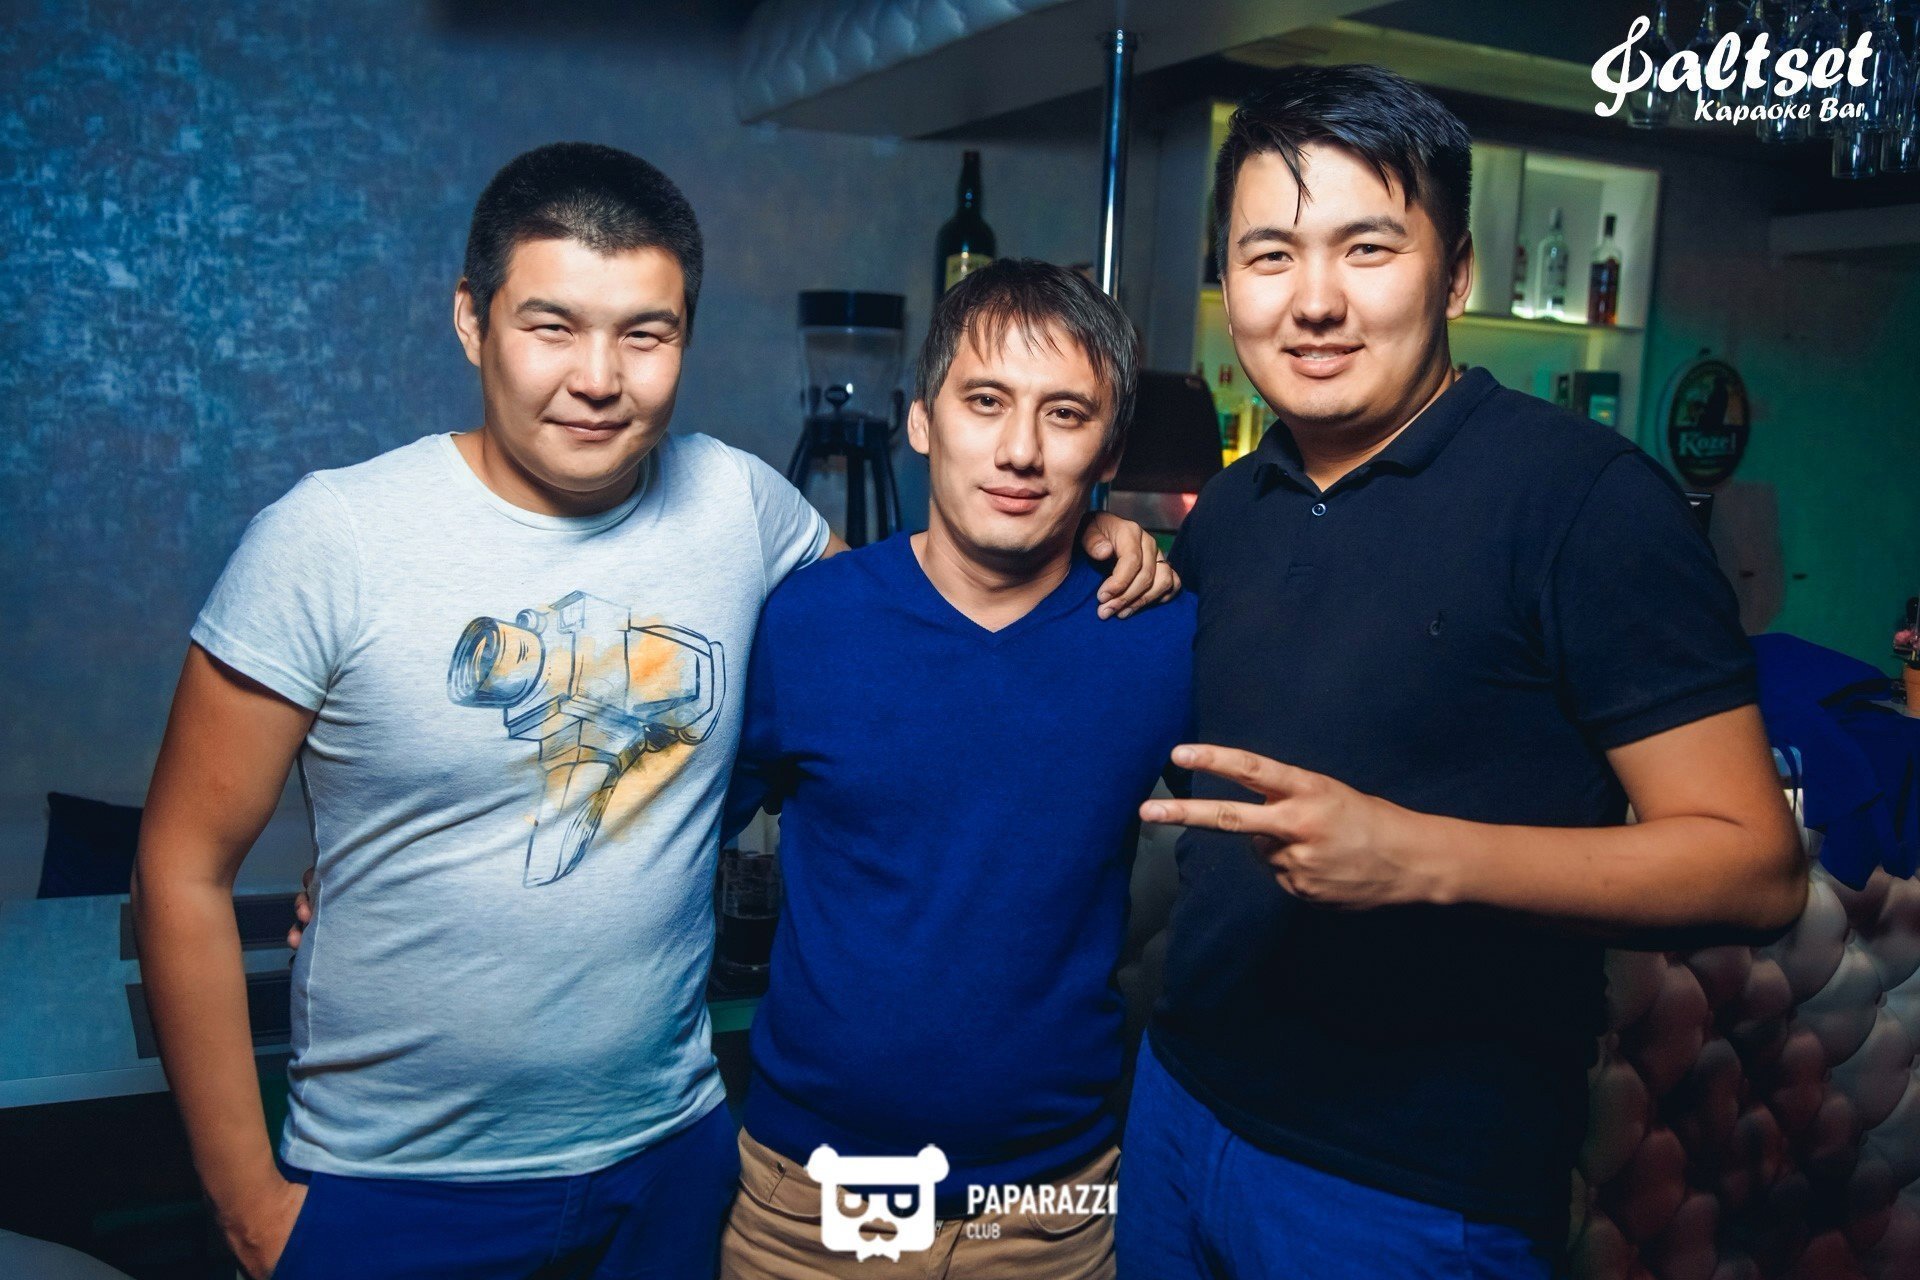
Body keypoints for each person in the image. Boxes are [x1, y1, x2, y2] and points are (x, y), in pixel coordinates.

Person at [132, 142, 1172, 1280]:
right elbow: (181, 867)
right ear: (471, 319)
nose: (597, 377)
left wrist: (1091, 533)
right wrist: (251, 1210)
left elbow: (923, 622)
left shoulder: (739, 507)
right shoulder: (329, 538)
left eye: (644, 333)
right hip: (396, 1181)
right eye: (551, 325)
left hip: (669, 1158)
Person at [1116, 66, 1807, 1280]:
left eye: (1367, 247)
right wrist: (1105, 547)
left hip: (1409, 1187)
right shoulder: (1231, 507)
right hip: (1178, 1103)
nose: (1314, 301)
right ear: (1229, 281)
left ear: (1458, 273)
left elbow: (1754, 866)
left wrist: (1414, 855)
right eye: (1271, 255)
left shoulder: (1586, 502)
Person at [715, 259, 1193, 1280]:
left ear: (1108, 448)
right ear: (921, 419)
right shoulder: (808, 623)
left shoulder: (1161, 636)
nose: (1020, 449)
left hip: (1050, 1212)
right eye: (985, 402)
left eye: (1065, 413)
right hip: (810, 1203)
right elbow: (667, 839)